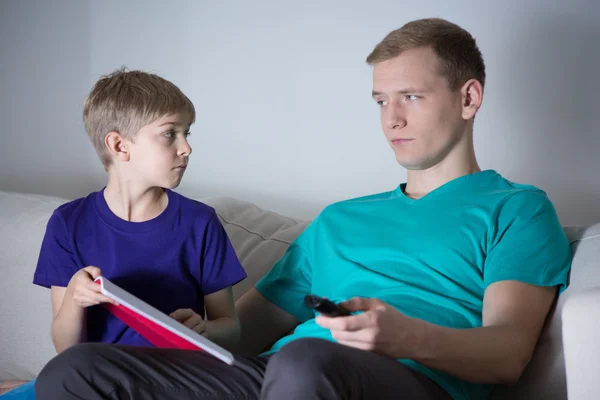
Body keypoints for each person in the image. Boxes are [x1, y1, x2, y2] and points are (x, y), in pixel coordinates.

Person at [34, 18, 571, 400]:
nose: (391, 119)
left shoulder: (517, 210)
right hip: (274, 377)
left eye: (411, 97)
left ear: (468, 99)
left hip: (403, 379)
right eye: (381, 102)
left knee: (303, 362)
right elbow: (244, 332)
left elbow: (507, 355)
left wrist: (406, 336)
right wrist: (190, 329)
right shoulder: (338, 220)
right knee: (77, 372)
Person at [25, 70, 246, 398]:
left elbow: (230, 327)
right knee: (58, 376)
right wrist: (75, 298)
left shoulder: (200, 223)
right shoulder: (68, 223)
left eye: (187, 133)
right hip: (100, 375)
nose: (186, 148)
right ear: (119, 145)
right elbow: (65, 347)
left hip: (180, 376)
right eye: (170, 133)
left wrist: (204, 330)